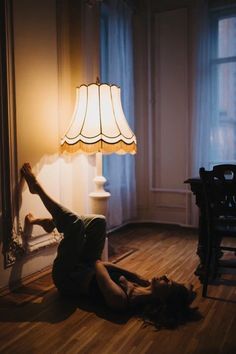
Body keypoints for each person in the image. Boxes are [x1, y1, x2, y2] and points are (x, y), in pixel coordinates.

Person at [21, 163, 198, 329]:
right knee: (99, 221)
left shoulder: (121, 299)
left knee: (75, 225)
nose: (166, 276)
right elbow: (99, 265)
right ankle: (54, 222)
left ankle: (37, 189)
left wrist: (133, 276)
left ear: (162, 300)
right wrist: (136, 277)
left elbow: (100, 264)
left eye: (168, 283)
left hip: (66, 277)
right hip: (86, 267)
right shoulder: (141, 284)